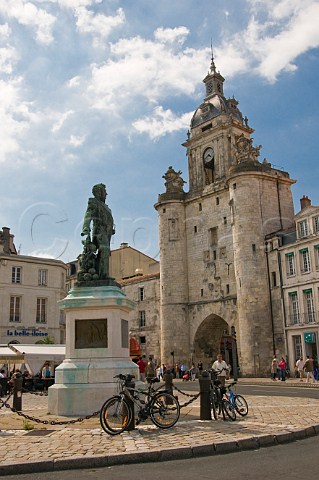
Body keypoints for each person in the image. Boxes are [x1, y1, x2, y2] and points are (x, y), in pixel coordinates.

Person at [79, 183, 115, 281]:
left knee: (105, 253)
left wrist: (111, 229)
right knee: (104, 250)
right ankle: (103, 276)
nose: (106, 194)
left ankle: (102, 274)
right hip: (99, 231)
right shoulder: (93, 202)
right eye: (104, 192)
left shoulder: (107, 208)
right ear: (99, 192)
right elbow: (88, 215)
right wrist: (86, 227)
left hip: (107, 233)